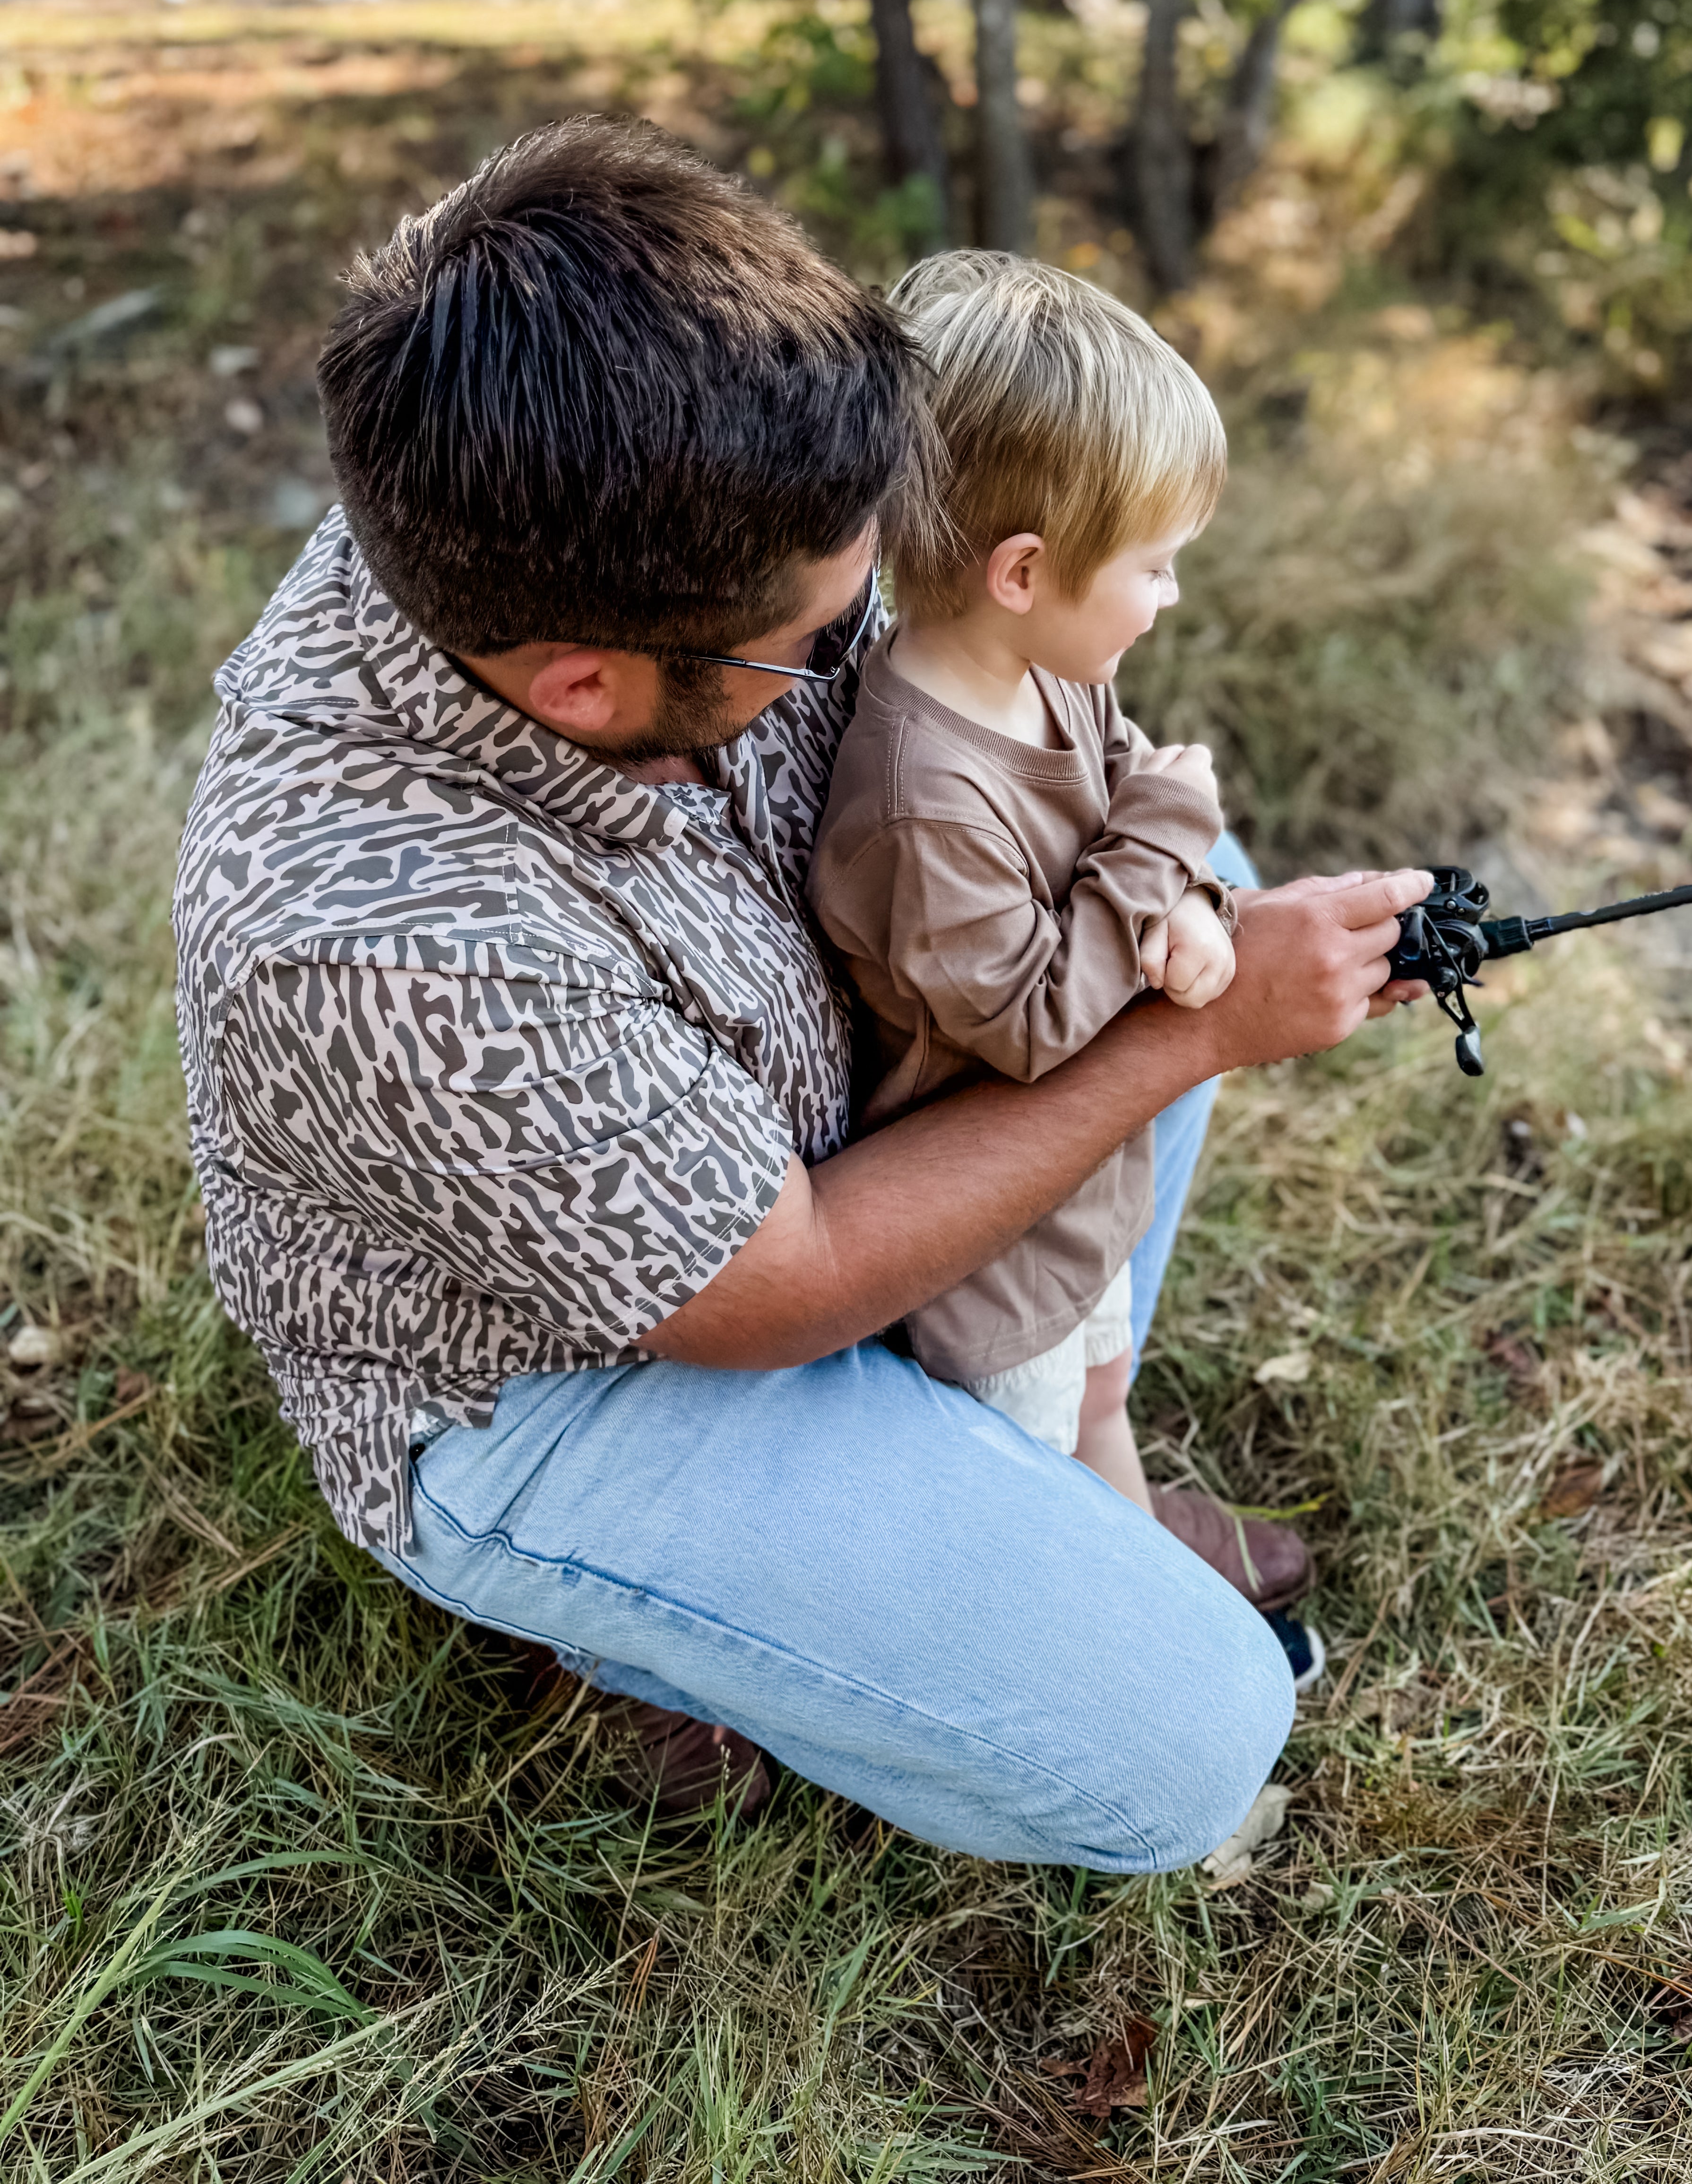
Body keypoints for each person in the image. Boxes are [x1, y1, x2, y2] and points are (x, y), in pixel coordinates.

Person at [172, 114, 1431, 1868]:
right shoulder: (385, 942)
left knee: (1176, 911)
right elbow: (787, 1281)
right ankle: (632, 1618)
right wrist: (1200, 1028)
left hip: (823, 1105)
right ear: (593, 683)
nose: (868, 648)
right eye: (820, 641)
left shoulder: (583, 456)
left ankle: (1039, 1458)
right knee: (1191, 1747)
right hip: (574, 1373)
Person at [809, 255, 1241, 1538]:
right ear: (1021, 571)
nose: (1168, 598)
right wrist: (1168, 827)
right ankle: (1086, 1632)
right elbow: (1036, 1021)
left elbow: (1115, 815)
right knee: (1027, 1490)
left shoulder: (1047, 675)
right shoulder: (921, 799)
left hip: (1079, 1201)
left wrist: (1188, 902)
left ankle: (1151, 1581)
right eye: (1154, 567)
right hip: (990, 1259)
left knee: (1103, 1395)